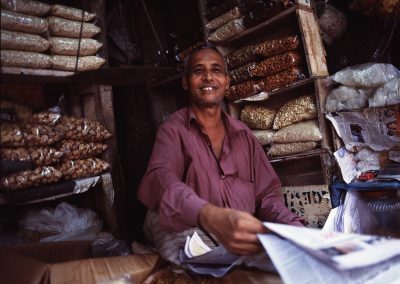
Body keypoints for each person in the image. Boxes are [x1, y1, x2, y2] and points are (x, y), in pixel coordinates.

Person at [137, 45, 304, 266]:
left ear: (226, 81)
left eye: (216, 70)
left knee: (290, 257)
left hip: (236, 236)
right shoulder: (173, 130)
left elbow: (267, 197)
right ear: (185, 82)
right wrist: (209, 215)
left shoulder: (244, 136)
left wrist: (297, 230)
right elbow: (161, 179)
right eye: (198, 71)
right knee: (165, 226)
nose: (208, 77)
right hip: (195, 229)